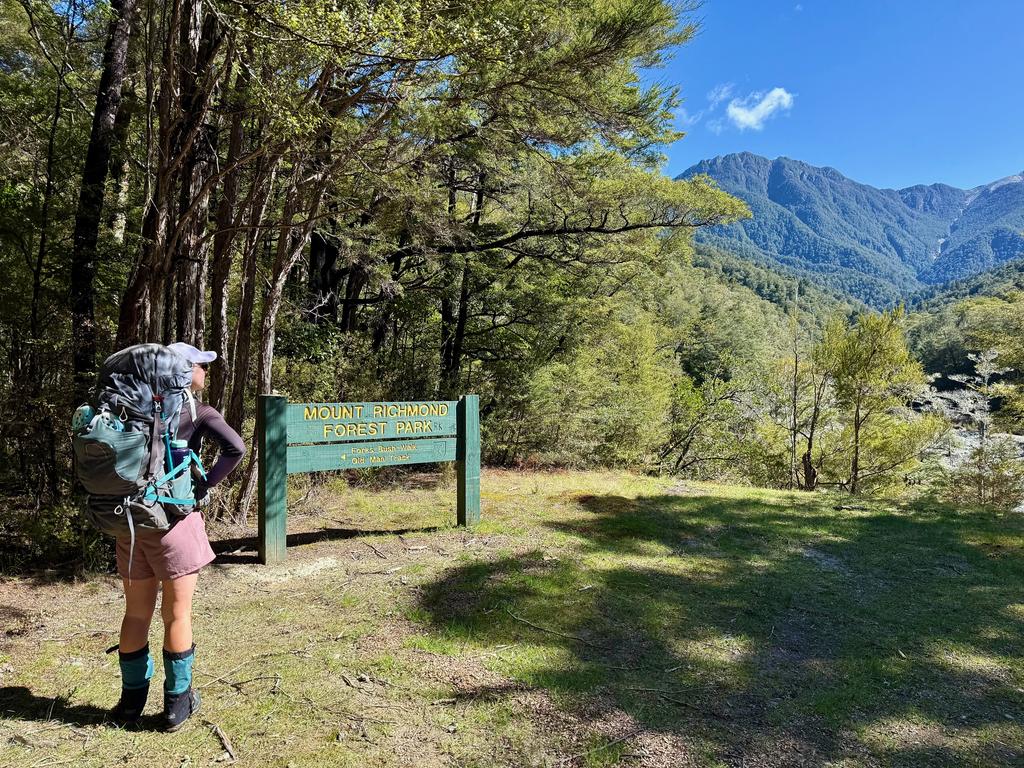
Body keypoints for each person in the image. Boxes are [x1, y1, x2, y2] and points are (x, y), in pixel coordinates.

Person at [111, 343, 245, 731]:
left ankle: (130, 703)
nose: (206, 371)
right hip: (174, 524)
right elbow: (235, 448)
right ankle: (176, 706)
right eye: (202, 365)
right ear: (184, 371)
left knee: (136, 614)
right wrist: (204, 488)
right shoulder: (197, 411)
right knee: (177, 613)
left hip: (132, 525)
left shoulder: (131, 408)